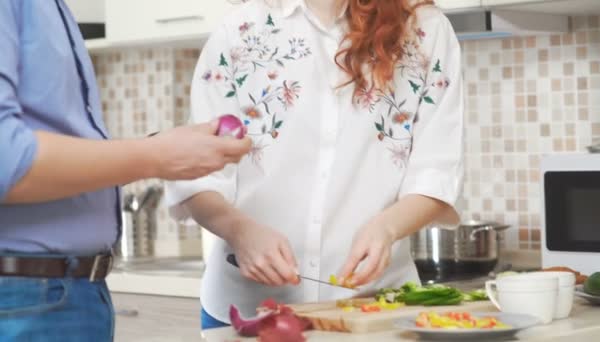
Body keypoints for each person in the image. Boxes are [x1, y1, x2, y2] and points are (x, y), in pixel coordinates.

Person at [166, 0, 463, 329]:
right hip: (248, 312)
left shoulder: (425, 30)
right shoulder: (239, 30)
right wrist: (240, 231)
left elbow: (437, 171)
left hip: (372, 313)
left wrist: (387, 228)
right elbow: (197, 177)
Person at [0, 0, 251, 340]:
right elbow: (7, 161)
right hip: (27, 295)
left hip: (66, 292)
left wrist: (159, 149)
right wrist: (155, 156)